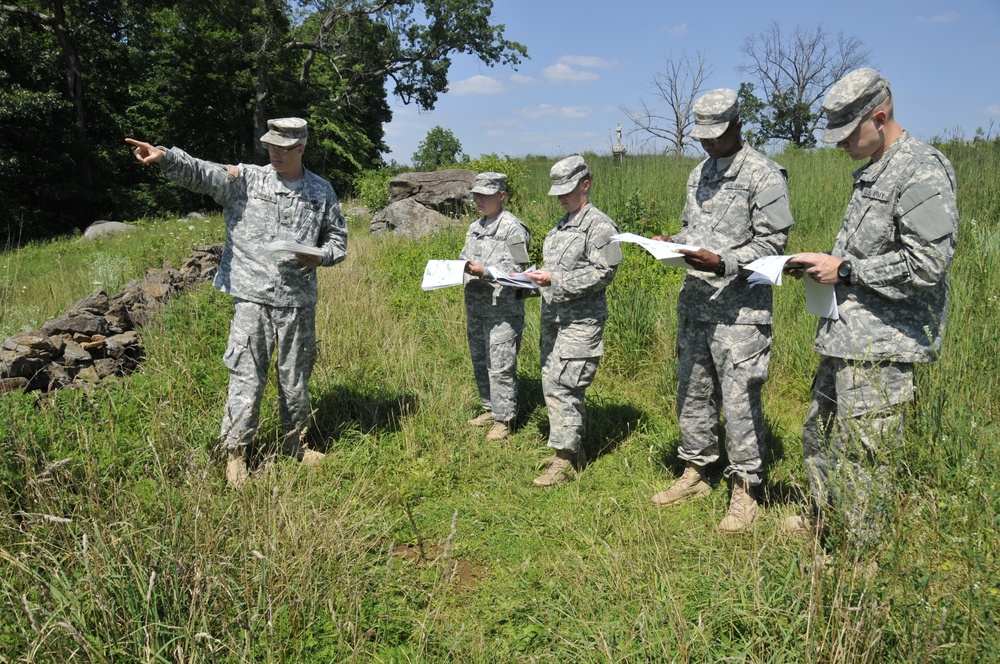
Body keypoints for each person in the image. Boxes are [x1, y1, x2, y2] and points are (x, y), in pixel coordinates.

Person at [786, 68, 959, 549]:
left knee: (864, 458)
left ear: (879, 118)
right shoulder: (875, 169)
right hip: (847, 335)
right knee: (819, 434)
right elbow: (868, 254)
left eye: (847, 135)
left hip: (882, 345)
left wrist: (845, 272)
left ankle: (859, 560)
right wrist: (824, 265)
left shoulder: (921, 169)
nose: (840, 145)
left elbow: (926, 265)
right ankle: (822, 520)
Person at [126, 117, 348, 488]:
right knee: (247, 375)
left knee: (296, 376)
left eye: (283, 147)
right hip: (252, 298)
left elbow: (338, 241)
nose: (275, 152)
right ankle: (237, 454)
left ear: (301, 148)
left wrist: (321, 256)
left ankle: (295, 444)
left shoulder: (320, 190)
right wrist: (165, 157)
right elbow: (203, 173)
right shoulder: (247, 179)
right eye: (271, 146)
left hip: (297, 300)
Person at [648, 88, 794, 534]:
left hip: (740, 314)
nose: (708, 144)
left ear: (738, 125)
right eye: (703, 138)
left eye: (716, 135)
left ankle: (747, 489)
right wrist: (674, 243)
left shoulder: (765, 175)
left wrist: (724, 261)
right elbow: (695, 229)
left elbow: (774, 245)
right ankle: (696, 470)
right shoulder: (697, 175)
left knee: (739, 400)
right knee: (691, 391)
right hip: (696, 304)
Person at [524, 155, 622, 487]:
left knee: (567, 387)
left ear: (586, 184)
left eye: (567, 190)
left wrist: (556, 280)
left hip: (581, 323)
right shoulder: (560, 226)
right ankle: (573, 450)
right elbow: (556, 269)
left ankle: (563, 460)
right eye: (557, 192)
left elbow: (605, 272)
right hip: (554, 320)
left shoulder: (600, 225)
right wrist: (532, 279)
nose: (562, 198)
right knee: (552, 385)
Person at [461, 172, 531, 441]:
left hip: (502, 310)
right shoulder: (474, 227)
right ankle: (490, 408)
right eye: (477, 195)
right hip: (476, 306)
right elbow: (465, 258)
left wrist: (485, 272)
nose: (479, 200)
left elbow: (518, 269)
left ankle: (505, 419)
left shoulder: (513, 228)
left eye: (486, 196)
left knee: (501, 364)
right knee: (480, 360)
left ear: (501, 196)